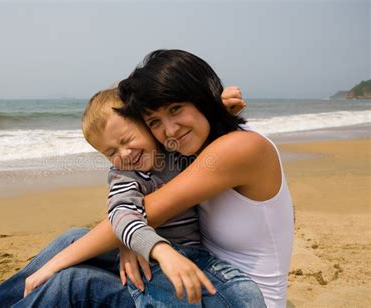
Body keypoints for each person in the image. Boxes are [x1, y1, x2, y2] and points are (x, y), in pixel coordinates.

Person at [0, 86, 265, 307]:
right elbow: (121, 214)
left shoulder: (175, 151)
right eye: (111, 152)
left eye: (127, 140)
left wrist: (216, 106)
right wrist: (151, 246)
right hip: (158, 255)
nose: (124, 154)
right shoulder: (124, 176)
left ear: (147, 124)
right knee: (71, 239)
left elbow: (196, 129)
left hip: (182, 255)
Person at [116, 49, 294, 308]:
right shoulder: (195, 149)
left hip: (240, 299)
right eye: (154, 121)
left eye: (175, 108)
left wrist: (123, 241)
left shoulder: (240, 148)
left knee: (73, 281)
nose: (170, 130)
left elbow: (140, 214)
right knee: (76, 245)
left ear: (203, 98)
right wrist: (212, 107)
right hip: (209, 280)